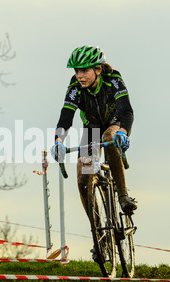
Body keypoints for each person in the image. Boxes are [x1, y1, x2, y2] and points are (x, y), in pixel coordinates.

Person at [51, 45, 137, 218]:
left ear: (98, 69)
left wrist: (123, 131)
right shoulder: (75, 86)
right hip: (91, 128)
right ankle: (97, 232)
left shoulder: (112, 79)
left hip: (114, 122)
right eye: (77, 71)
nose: (80, 76)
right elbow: (66, 116)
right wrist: (58, 141)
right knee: (83, 177)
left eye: (84, 70)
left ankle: (122, 195)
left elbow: (126, 110)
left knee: (109, 137)